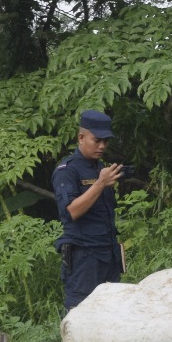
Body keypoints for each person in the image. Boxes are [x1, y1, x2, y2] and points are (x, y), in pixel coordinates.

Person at [51, 110, 126, 310]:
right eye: (97, 140)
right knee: (80, 315)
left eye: (106, 141)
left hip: (108, 255)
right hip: (84, 259)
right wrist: (100, 184)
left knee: (111, 313)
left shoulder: (100, 168)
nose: (102, 146)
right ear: (81, 138)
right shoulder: (67, 170)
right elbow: (72, 211)